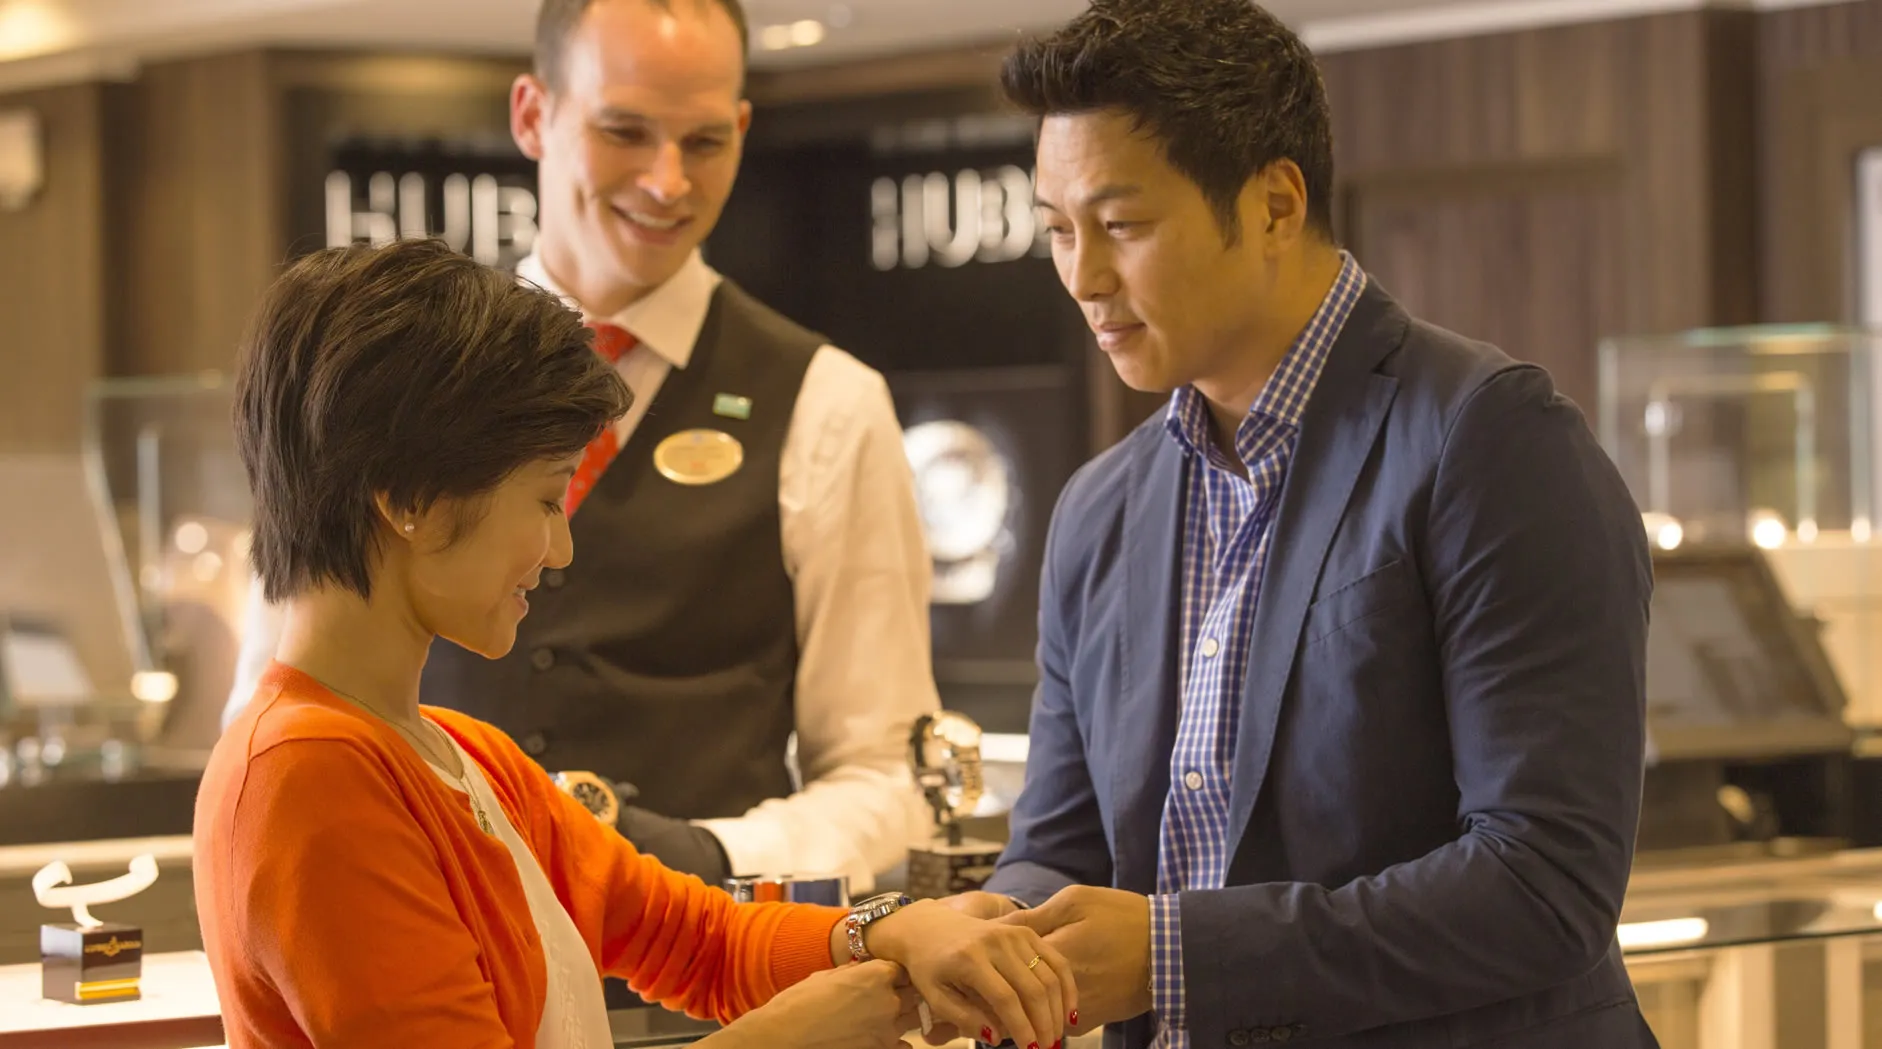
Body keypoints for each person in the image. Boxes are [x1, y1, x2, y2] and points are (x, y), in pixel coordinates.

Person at [947, 2, 1661, 1048]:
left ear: (1275, 202)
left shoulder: (1489, 438)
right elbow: (1061, 845)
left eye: (1123, 225)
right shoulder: (1100, 507)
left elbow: (1542, 881)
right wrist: (998, 926)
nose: (1083, 276)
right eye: (1058, 230)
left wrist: (1168, 954)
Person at [195, 238, 1077, 1049]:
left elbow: (690, 935)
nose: (561, 548)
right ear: (409, 497)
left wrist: (884, 929)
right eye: (546, 500)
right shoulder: (309, 775)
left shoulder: (466, 756)